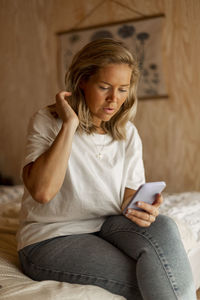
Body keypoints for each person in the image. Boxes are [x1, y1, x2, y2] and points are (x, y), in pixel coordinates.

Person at [17, 39, 196, 300]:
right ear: (82, 81)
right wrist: (70, 126)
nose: (115, 99)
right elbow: (42, 192)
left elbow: (127, 198)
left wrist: (143, 208)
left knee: (165, 227)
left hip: (107, 226)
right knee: (157, 279)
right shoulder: (48, 121)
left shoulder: (127, 133)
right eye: (104, 87)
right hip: (52, 237)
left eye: (123, 89)